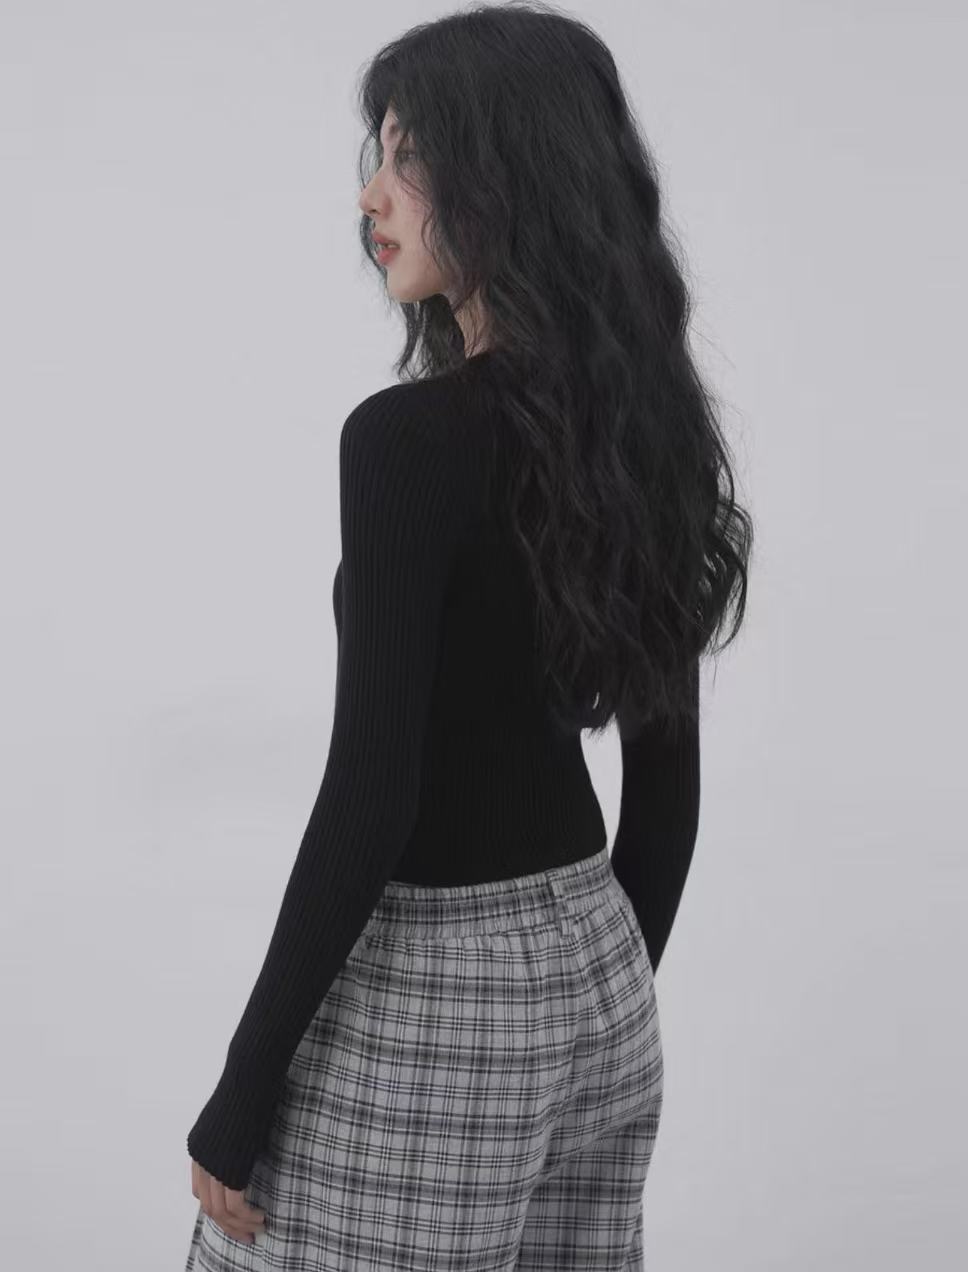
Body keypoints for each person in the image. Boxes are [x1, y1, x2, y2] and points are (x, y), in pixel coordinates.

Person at [184, 4, 753, 1268]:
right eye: (373, 157)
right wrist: (593, 1008)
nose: (369, 198)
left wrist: (245, 1082)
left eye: (408, 159)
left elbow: (371, 793)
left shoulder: (408, 443)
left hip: (435, 992)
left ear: (506, 181)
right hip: (604, 977)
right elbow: (667, 786)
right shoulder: (647, 434)